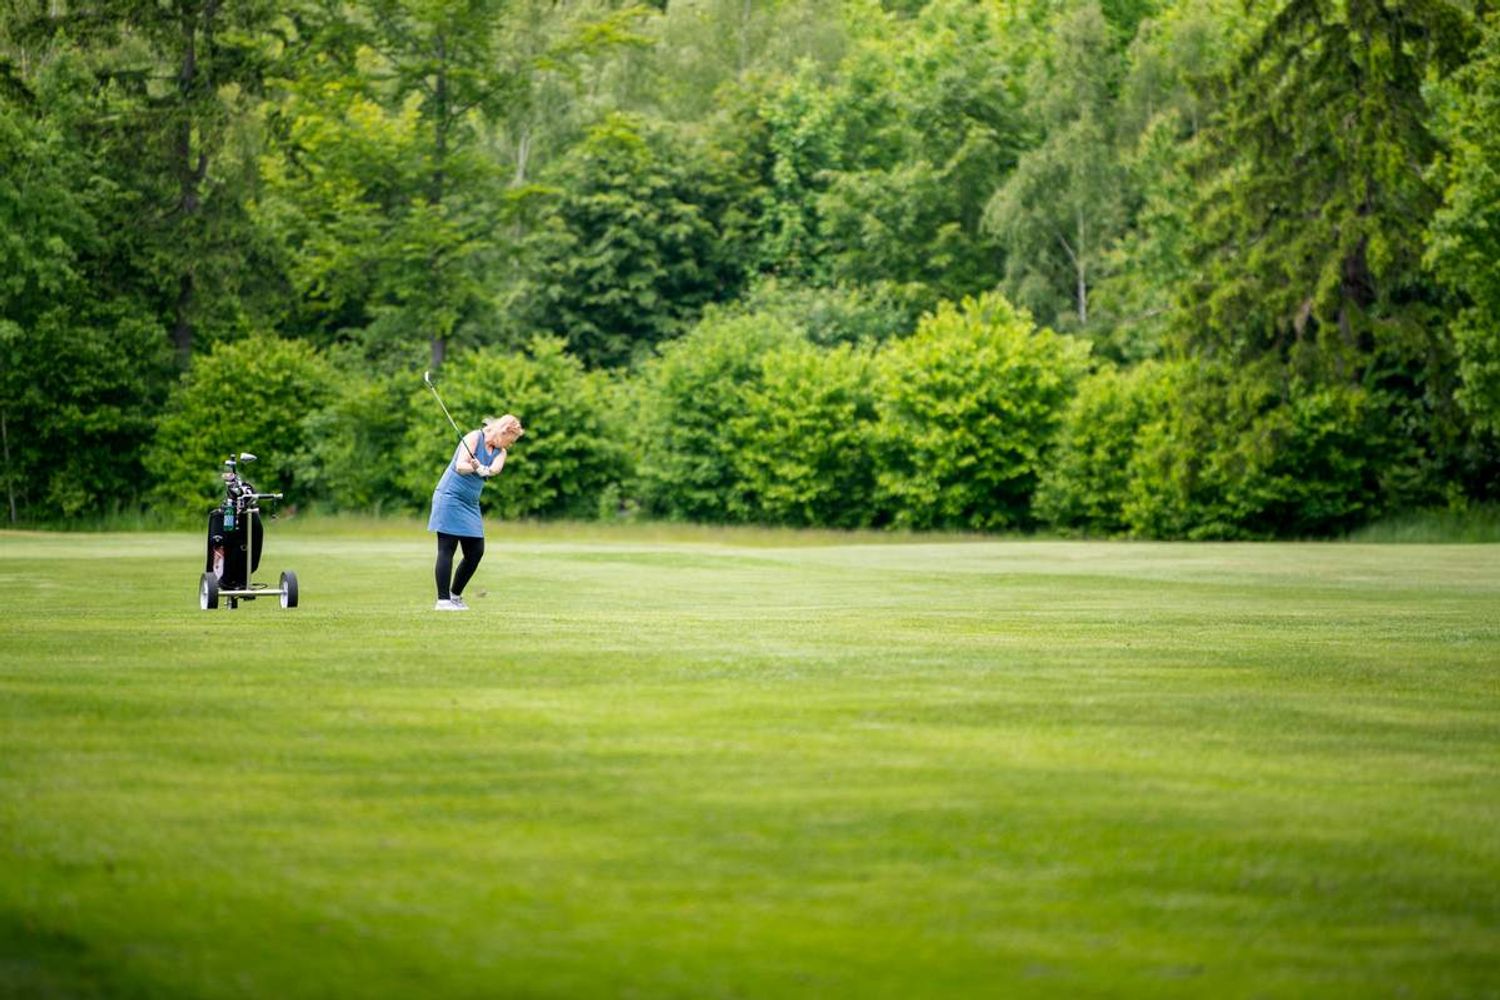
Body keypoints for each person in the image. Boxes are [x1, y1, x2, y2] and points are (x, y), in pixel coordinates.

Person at [427, 413, 525, 611]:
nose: (511, 443)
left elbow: (495, 469)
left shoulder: (501, 452)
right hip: (450, 497)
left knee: (475, 551)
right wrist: (474, 468)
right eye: (511, 439)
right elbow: (460, 466)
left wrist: (482, 469)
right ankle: (443, 601)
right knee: (447, 548)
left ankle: (455, 596)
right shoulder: (473, 437)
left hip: (470, 504)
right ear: (504, 431)